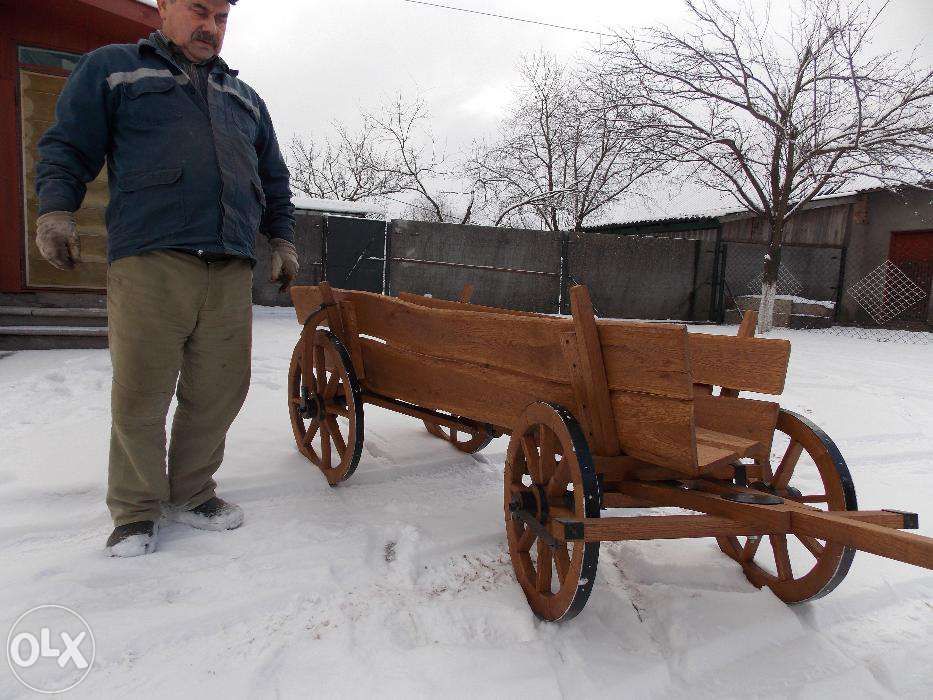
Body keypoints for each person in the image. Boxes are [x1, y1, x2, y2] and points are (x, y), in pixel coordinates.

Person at [35, 0, 298, 557]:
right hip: (152, 256)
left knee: (221, 388)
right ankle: (135, 511)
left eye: (222, 17)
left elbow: (273, 177)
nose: (211, 26)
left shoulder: (244, 98)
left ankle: (192, 492)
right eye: (199, 10)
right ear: (164, 8)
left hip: (229, 261)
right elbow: (68, 145)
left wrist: (282, 237)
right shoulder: (115, 67)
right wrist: (56, 210)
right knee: (142, 389)